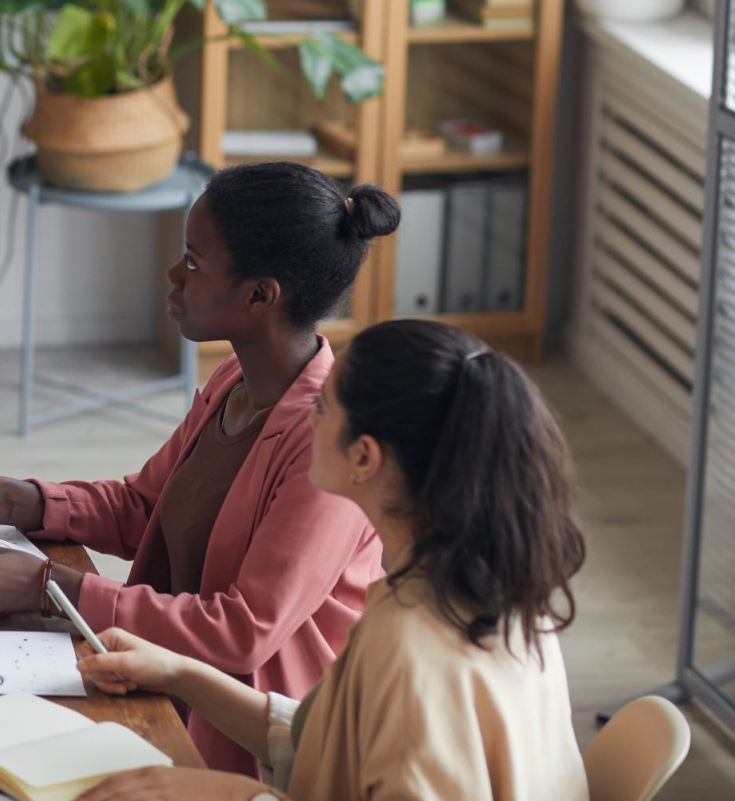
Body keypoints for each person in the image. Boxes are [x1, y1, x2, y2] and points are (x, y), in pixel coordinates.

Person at [0, 162, 399, 775]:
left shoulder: (328, 444)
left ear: (260, 294)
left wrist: (46, 586)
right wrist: (4, 498)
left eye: (194, 261)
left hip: (254, 742)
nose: (173, 274)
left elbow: (243, 632)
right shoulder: (235, 383)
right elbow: (145, 507)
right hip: (162, 680)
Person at [76, 320, 589, 801]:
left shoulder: (408, 645)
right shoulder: (498, 591)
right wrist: (177, 673)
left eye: (322, 405)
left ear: (364, 457)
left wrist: (238, 794)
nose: (306, 414)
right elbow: (326, 740)